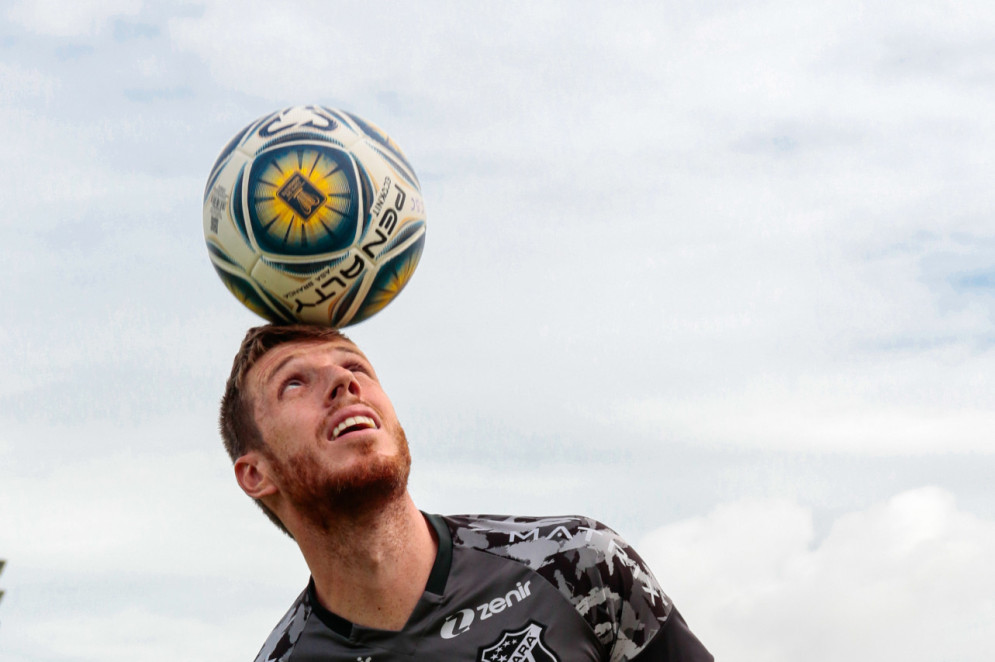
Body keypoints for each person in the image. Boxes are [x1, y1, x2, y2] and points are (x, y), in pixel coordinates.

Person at [221, 324, 713, 661]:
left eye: (357, 366)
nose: (343, 381)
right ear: (255, 474)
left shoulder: (578, 566)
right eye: (293, 383)